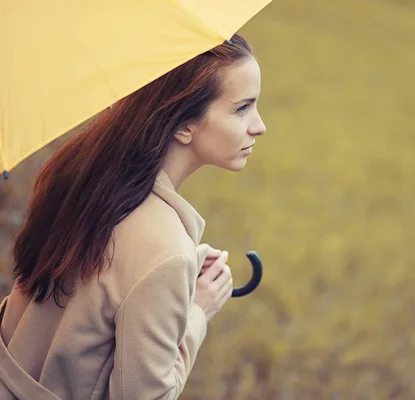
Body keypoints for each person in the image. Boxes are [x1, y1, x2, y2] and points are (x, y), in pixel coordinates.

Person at [0, 33, 266, 399]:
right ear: (183, 124)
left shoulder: (82, 178)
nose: (259, 125)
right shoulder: (165, 253)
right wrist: (198, 314)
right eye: (242, 109)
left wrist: (180, 275)